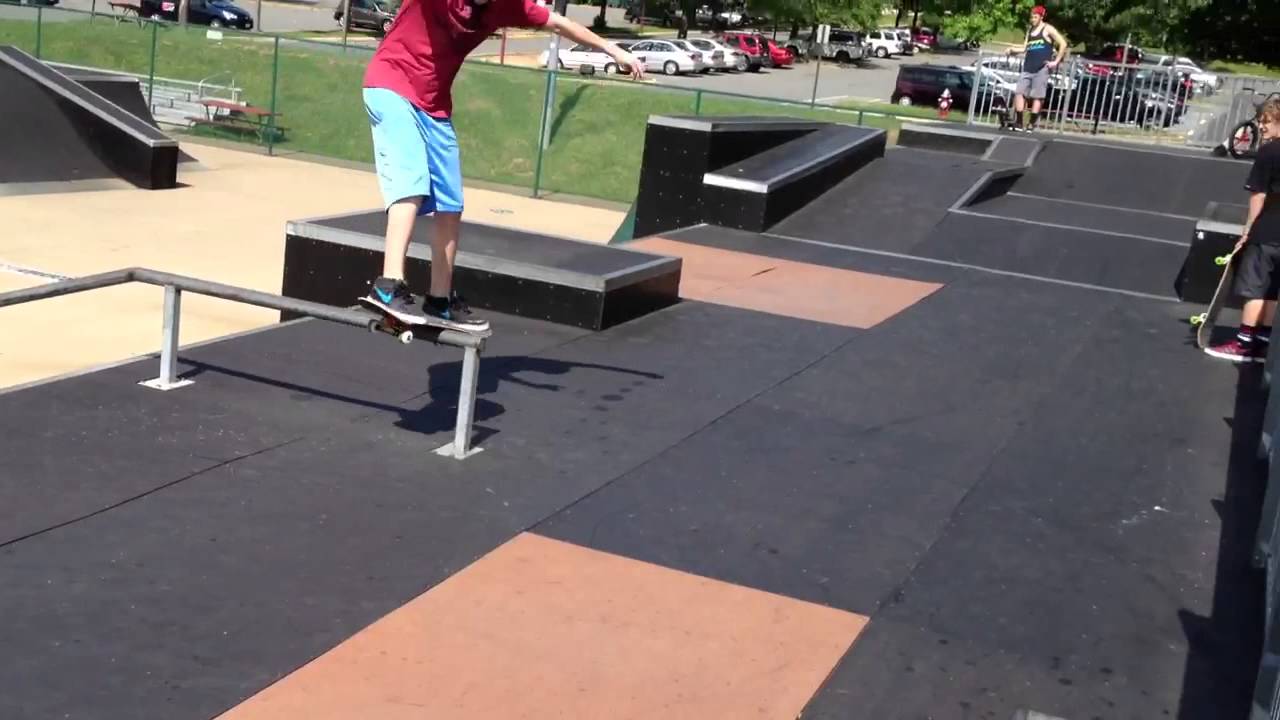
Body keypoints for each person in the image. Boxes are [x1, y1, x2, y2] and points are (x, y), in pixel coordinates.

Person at [360, 0, 644, 332]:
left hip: (434, 106)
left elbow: (558, 23)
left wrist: (614, 50)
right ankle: (388, 284)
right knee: (412, 183)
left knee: (451, 204)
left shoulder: (507, 6)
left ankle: (439, 300)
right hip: (390, 86)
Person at [1206, 97, 1280, 363]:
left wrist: (1248, 230)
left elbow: (1258, 195)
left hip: (1269, 231)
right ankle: (1263, 342)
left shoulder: (1270, 152)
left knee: (1256, 288)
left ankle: (1244, 343)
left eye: (1266, 122)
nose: (1261, 127)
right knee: (1273, 289)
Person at [1005, 5, 1066, 132]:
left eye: (1035, 17)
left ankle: (1031, 124)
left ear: (1041, 17)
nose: (1032, 19)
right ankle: (1019, 122)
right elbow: (1024, 48)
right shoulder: (1030, 30)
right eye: (1031, 17)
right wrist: (1012, 50)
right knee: (1019, 92)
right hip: (1028, 67)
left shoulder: (1047, 29)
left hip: (1041, 68)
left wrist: (1055, 62)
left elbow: (1063, 43)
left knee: (1037, 97)